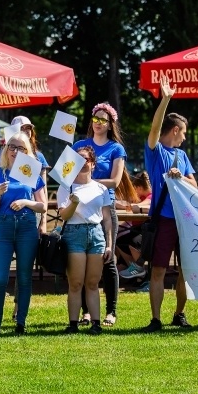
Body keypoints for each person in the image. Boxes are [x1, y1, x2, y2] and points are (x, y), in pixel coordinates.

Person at [0, 115, 50, 325]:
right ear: (6, 149)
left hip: (26, 226)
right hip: (3, 226)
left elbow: (43, 206)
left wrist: (26, 202)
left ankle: (20, 322)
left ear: (27, 151)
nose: (15, 151)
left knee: (24, 278)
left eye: (21, 148)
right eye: (12, 147)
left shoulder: (31, 172)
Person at [142, 76, 197, 333]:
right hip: (163, 219)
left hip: (184, 220)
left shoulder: (182, 156)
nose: (185, 137)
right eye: (183, 132)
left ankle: (179, 314)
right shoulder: (155, 151)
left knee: (185, 270)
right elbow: (155, 129)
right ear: (175, 130)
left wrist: (182, 177)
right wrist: (165, 99)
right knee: (159, 270)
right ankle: (156, 319)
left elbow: (195, 187)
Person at [72, 102, 126, 327]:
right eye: (96, 118)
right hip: (80, 209)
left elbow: (115, 181)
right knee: (82, 262)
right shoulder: (79, 145)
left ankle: (111, 311)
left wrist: (89, 182)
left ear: (110, 123)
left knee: (109, 260)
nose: (98, 123)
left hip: (105, 207)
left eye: (103, 120)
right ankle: (85, 312)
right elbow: (68, 175)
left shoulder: (116, 149)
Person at [58, 146, 112, 335]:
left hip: (96, 234)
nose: (82, 164)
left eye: (86, 160)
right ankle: (73, 323)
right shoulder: (66, 186)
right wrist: (73, 202)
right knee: (75, 282)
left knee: (93, 283)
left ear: (93, 163)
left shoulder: (101, 188)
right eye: (78, 160)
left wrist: (110, 244)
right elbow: (64, 216)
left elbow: (107, 218)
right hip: (74, 233)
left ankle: (95, 323)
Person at [117, 171, 152, 280]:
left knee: (120, 241)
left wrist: (125, 205)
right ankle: (134, 271)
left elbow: (139, 206)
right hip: (138, 230)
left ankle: (140, 272)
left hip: (145, 233)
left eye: (134, 189)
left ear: (139, 188)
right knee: (118, 238)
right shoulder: (143, 196)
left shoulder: (151, 196)